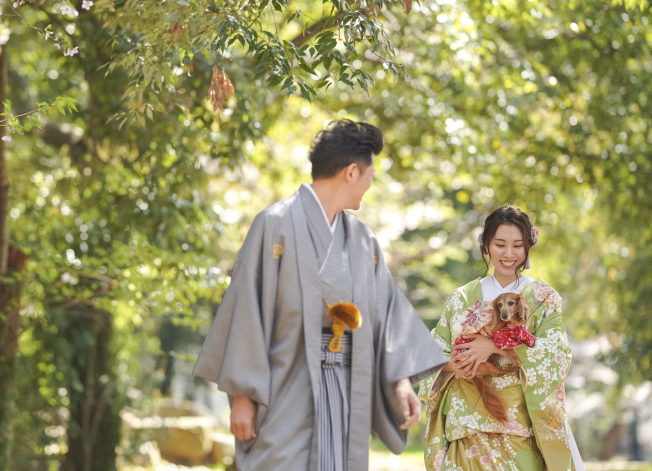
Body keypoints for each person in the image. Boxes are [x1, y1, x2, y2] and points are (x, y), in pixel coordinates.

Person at [193, 120, 447, 471]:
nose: (371, 185)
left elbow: (386, 315)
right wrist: (241, 397)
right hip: (285, 389)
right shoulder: (274, 224)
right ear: (352, 172)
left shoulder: (363, 241)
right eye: (370, 175)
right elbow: (246, 311)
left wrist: (401, 381)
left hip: (345, 390)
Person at [419, 205, 585, 471]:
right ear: (486, 246)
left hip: (520, 429)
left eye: (518, 245)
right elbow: (429, 357)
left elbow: (557, 356)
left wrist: (494, 344)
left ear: (529, 246)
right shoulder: (462, 297)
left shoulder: (543, 297)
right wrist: (454, 365)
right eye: (499, 244)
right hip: (467, 430)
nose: (509, 254)